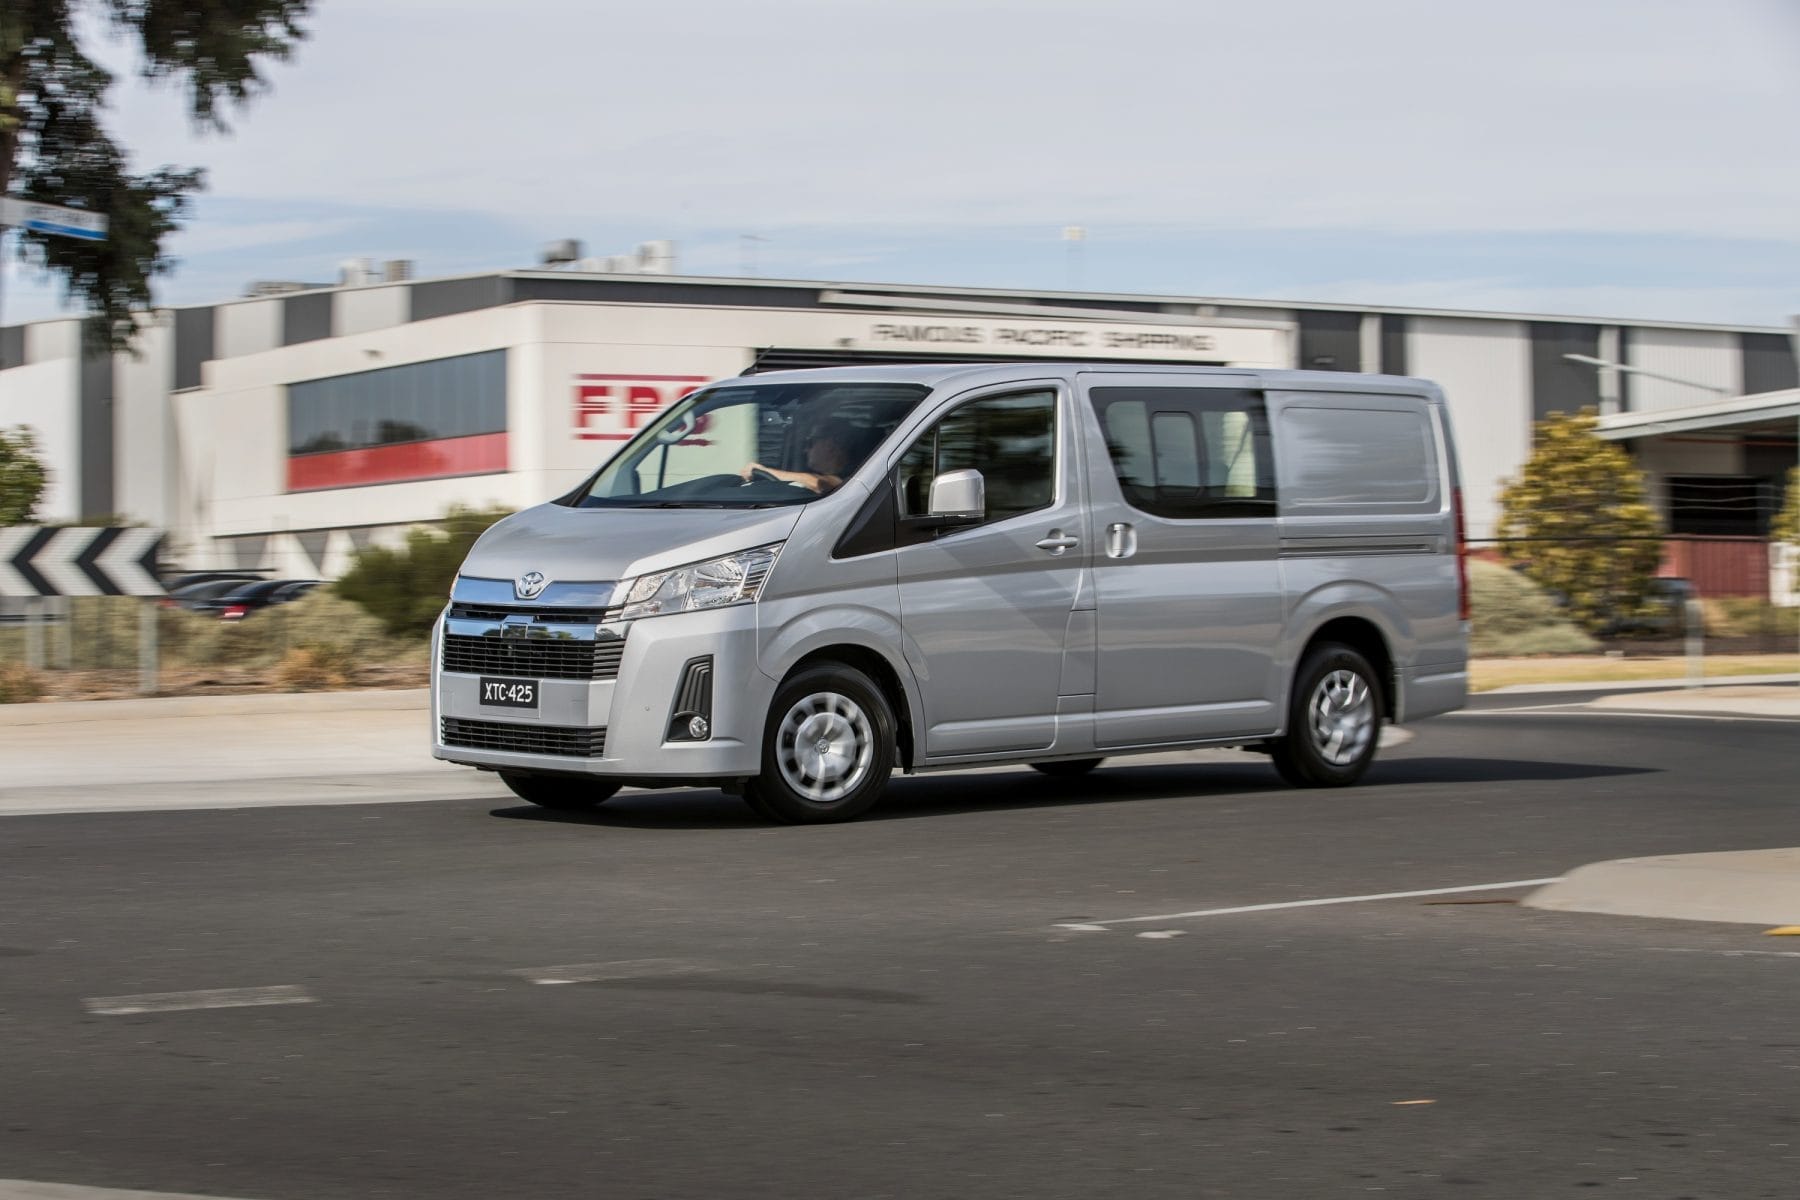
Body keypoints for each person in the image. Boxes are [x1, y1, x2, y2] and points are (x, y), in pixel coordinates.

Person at [740, 419, 856, 494]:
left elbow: (820, 483)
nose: (805, 450)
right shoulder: (805, 471)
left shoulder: (852, 475)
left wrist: (764, 471)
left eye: (810, 443)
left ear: (830, 445)